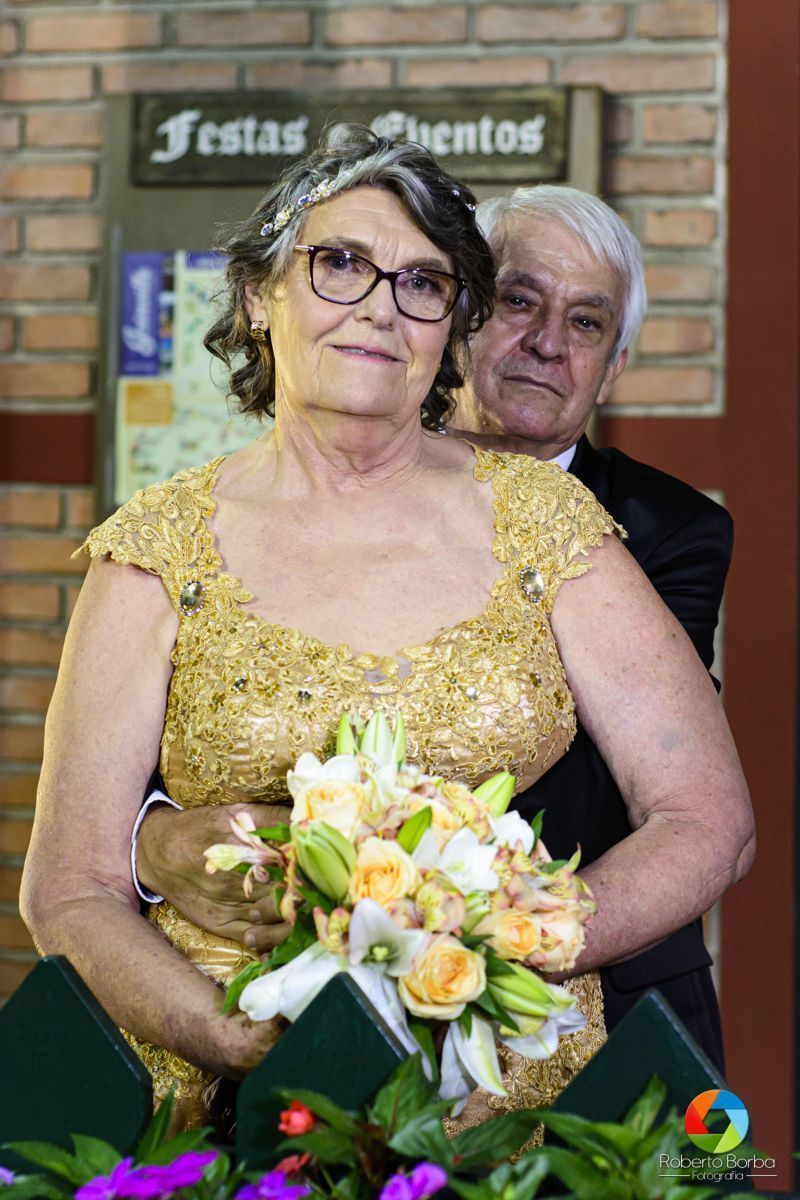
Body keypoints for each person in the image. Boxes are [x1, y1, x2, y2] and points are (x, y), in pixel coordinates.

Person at [21, 127, 754, 1135]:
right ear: (259, 294)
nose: (379, 307)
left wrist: (498, 955)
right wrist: (242, 1042)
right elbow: (70, 890)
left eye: (421, 283)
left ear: (447, 327)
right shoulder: (155, 550)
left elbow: (704, 817)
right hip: (219, 1110)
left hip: (514, 1106)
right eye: (341, 264)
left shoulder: (550, 524)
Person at [452, 185, 734, 1070]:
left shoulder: (671, 529)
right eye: (519, 300)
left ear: (611, 369)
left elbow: (625, 773)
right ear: (458, 317)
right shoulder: (351, 498)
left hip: (614, 993)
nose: (547, 342)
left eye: (585, 323)